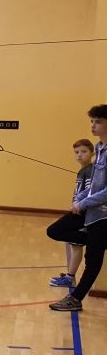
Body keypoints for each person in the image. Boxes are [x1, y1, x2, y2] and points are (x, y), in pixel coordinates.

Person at [50, 104, 107, 312]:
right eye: (92, 121)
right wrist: (80, 198)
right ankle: (99, 242)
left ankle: (75, 299)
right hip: (91, 211)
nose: (93, 125)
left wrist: (82, 203)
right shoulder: (99, 148)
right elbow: (96, 185)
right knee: (55, 230)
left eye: (98, 122)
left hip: (103, 215)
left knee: (93, 260)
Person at [45, 138, 95, 287]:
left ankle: (96, 240)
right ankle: (69, 277)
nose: (79, 155)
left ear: (92, 153)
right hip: (80, 211)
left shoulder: (90, 170)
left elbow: (90, 192)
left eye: (84, 151)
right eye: (76, 152)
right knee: (76, 245)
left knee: (53, 231)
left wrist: (79, 205)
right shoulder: (83, 170)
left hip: (83, 213)